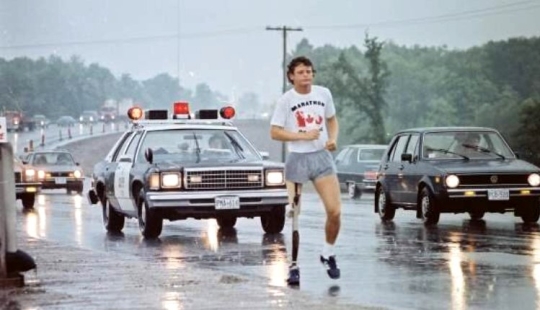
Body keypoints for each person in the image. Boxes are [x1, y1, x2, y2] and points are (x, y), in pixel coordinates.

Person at [270, 56, 341, 284]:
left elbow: (332, 120)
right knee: (295, 215)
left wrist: (332, 139)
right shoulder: (286, 100)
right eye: (301, 72)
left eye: (309, 71)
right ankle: (293, 265)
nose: (306, 76)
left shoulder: (323, 94)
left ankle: (328, 253)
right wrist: (300, 136)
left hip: (321, 157)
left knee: (335, 211)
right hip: (298, 159)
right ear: (291, 76)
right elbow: (275, 132)